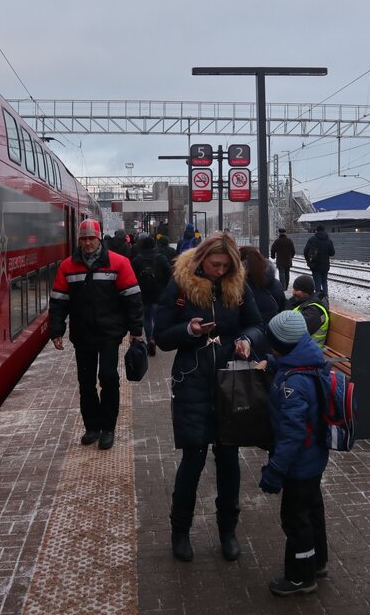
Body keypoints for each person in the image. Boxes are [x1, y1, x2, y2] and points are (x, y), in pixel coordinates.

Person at [154, 232, 265, 563]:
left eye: (226, 266)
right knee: (193, 457)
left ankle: (227, 532)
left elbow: (257, 324)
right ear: (202, 259)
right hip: (193, 382)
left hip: (231, 380)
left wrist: (246, 339)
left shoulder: (237, 286)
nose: (220, 271)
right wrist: (190, 330)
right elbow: (161, 336)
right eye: (215, 265)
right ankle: (180, 531)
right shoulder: (180, 285)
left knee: (229, 458)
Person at [49, 219, 144, 450]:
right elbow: (59, 302)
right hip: (82, 334)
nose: (88, 242)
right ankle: (92, 426)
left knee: (109, 378)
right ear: (79, 241)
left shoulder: (119, 263)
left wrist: (136, 331)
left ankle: (108, 428)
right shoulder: (67, 267)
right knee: (86, 382)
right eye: (84, 239)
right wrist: (57, 330)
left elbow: (133, 298)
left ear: (99, 238)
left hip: (110, 333)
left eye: (91, 238)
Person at [258, 310, 330, 596]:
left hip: (298, 464)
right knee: (313, 511)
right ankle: (318, 562)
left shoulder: (293, 384)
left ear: (280, 345)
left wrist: (275, 471)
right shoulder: (306, 361)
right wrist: (273, 362)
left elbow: (292, 434)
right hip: (314, 459)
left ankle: (301, 577)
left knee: (295, 519)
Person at [131, 234, 173, 356]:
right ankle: (154, 339)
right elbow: (169, 275)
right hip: (158, 294)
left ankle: (149, 339)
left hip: (142, 295)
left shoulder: (137, 260)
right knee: (156, 318)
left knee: (147, 318)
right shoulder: (161, 258)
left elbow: (132, 278)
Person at [241, 245, 287, 326]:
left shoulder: (242, 288)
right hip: (275, 329)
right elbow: (283, 308)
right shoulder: (276, 284)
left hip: (250, 334)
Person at [288, 274, 330, 349]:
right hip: (302, 347)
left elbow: (295, 332)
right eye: (294, 289)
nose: (293, 293)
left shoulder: (314, 311)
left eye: (297, 290)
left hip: (310, 351)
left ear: (306, 292)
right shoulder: (302, 301)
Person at [303, 225, 335, 299]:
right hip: (325, 265)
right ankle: (326, 297)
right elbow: (332, 253)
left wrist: (308, 261)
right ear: (324, 230)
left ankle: (318, 298)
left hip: (315, 265)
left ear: (316, 231)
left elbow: (305, 251)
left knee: (317, 282)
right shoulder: (329, 241)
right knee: (324, 281)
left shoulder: (312, 239)